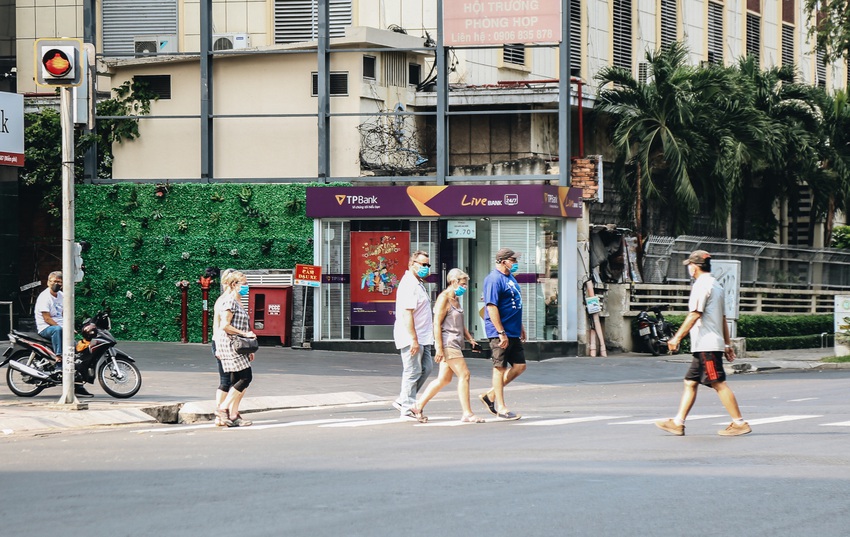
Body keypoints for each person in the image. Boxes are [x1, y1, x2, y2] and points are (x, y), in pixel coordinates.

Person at [656, 250, 752, 437]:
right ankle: (678, 422)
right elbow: (722, 318)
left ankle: (739, 422)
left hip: (706, 345)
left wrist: (676, 338)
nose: (689, 269)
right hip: (705, 345)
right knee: (690, 382)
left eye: (689, 266)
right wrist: (726, 344)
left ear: (695, 267)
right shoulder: (716, 285)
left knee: (718, 383)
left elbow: (694, 314)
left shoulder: (701, 286)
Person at [415, 269, 486, 423]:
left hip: (456, 342)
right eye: (462, 284)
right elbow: (436, 324)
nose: (464, 287)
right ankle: (467, 413)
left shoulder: (455, 299)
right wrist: (439, 348)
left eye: (465, 284)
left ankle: (418, 405)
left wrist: (470, 339)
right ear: (453, 282)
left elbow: (460, 323)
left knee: (444, 379)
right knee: (464, 375)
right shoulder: (444, 298)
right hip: (448, 343)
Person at [479, 248, 526, 420]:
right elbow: (491, 307)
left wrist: (520, 326)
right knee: (500, 368)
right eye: (513, 260)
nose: (515, 263)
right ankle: (501, 407)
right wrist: (501, 332)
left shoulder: (510, 278)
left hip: (513, 330)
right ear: (503, 261)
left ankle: (490, 395)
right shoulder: (493, 279)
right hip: (500, 332)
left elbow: (514, 303)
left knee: (520, 366)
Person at [34, 271, 92, 398]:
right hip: (47, 328)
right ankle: (58, 360)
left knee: (77, 351)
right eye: (54, 281)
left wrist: (70, 327)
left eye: (59, 282)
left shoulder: (62, 295)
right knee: (58, 330)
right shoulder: (44, 297)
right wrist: (63, 328)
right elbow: (47, 318)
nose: (56, 284)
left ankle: (78, 385)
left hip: (61, 328)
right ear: (48, 282)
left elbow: (66, 314)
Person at [392, 250, 434, 422]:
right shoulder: (408, 283)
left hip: (424, 336)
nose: (426, 268)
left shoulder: (418, 283)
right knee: (412, 371)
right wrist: (414, 340)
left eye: (428, 265)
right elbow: (407, 313)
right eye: (423, 264)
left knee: (426, 368)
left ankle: (403, 400)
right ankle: (407, 408)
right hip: (412, 336)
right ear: (412, 264)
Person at [213, 270, 256, 427]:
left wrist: (248, 347)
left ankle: (233, 415)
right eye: (244, 284)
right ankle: (223, 409)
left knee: (237, 380)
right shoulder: (229, 301)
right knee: (245, 377)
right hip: (230, 344)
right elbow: (224, 325)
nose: (247, 287)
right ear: (234, 285)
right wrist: (245, 334)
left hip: (239, 345)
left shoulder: (238, 302)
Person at [211, 268, 235, 426]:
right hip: (222, 342)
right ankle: (220, 413)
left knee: (230, 380)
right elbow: (219, 326)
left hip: (223, 342)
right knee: (227, 380)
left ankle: (224, 413)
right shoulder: (226, 300)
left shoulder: (223, 299)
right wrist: (219, 347)